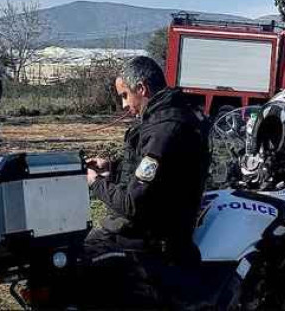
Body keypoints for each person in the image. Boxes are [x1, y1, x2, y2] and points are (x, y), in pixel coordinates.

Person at [83, 56, 208, 305]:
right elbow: (157, 175)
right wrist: (113, 169)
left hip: (151, 242)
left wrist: (96, 182)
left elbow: (133, 204)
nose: (123, 105)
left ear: (141, 89)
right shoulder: (171, 118)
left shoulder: (164, 130)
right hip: (153, 231)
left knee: (72, 261)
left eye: (125, 95)